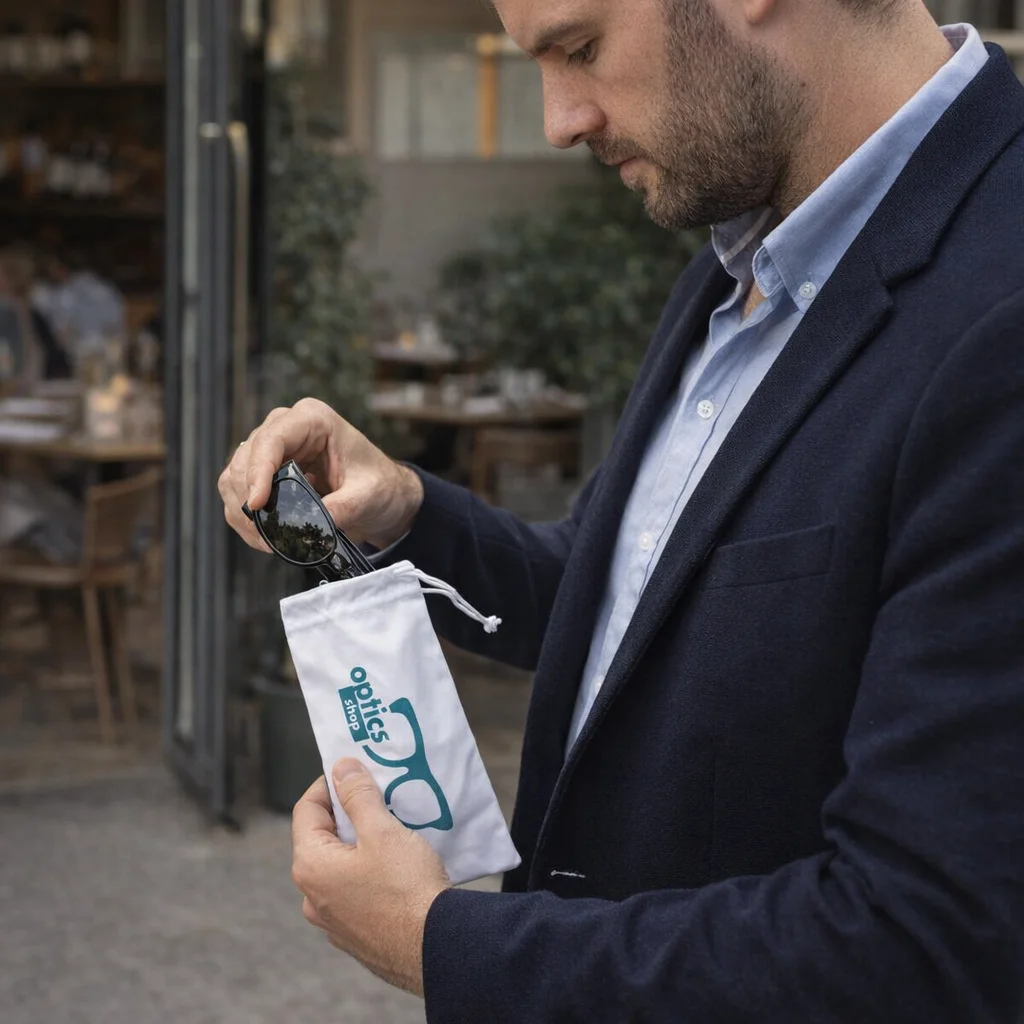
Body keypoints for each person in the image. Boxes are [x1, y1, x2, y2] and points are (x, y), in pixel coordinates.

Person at [219, 0, 1024, 1019]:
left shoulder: (1000, 312)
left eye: (580, 48)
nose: (558, 120)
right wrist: (411, 513)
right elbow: (626, 606)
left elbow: (928, 945)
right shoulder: (740, 265)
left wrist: (448, 945)